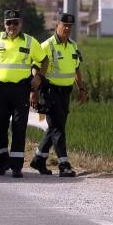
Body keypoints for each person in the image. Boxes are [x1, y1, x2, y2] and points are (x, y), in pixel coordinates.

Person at [0, 9, 49, 178]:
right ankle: (1, 164)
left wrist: (39, 78)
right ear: (4, 24)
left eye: (15, 22)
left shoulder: (30, 42)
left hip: (21, 90)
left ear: (20, 23)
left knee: (19, 128)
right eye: (9, 23)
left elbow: (44, 60)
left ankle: (16, 166)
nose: (12, 26)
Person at [30, 12, 87, 178]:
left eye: (70, 26)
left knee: (55, 127)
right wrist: (33, 92)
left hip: (65, 94)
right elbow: (34, 67)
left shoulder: (73, 45)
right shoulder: (47, 45)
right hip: (50, 93)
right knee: (58, 129)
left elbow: (76, 69)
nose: (67, 28)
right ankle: (64, 164)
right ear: (57, 26)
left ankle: (39, 159)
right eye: (64, 25)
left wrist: (81, 89)